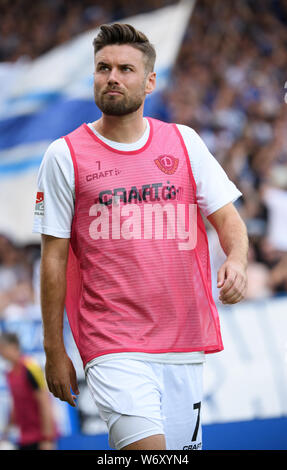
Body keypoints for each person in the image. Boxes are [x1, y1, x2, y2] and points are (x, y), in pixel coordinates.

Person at [33, 23, 248, 451]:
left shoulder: (184, 142)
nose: (112, 77)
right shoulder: (63, 155)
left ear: (150, 81)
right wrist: (54, 349)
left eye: (126, 69)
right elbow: (53, 259)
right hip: (112, 345)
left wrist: (237, 260)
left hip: (183, 342)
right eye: (103, 68)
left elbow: (230, 221)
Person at [0, 332, 57, 450]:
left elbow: (45, 403)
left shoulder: (31, 367)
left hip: (40, 438)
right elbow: (16, 406)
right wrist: (5, 433)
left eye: (3, 348)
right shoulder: (9, 373)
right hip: (24, 438)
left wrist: (47, 439)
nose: (1, 353)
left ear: (13, 346)